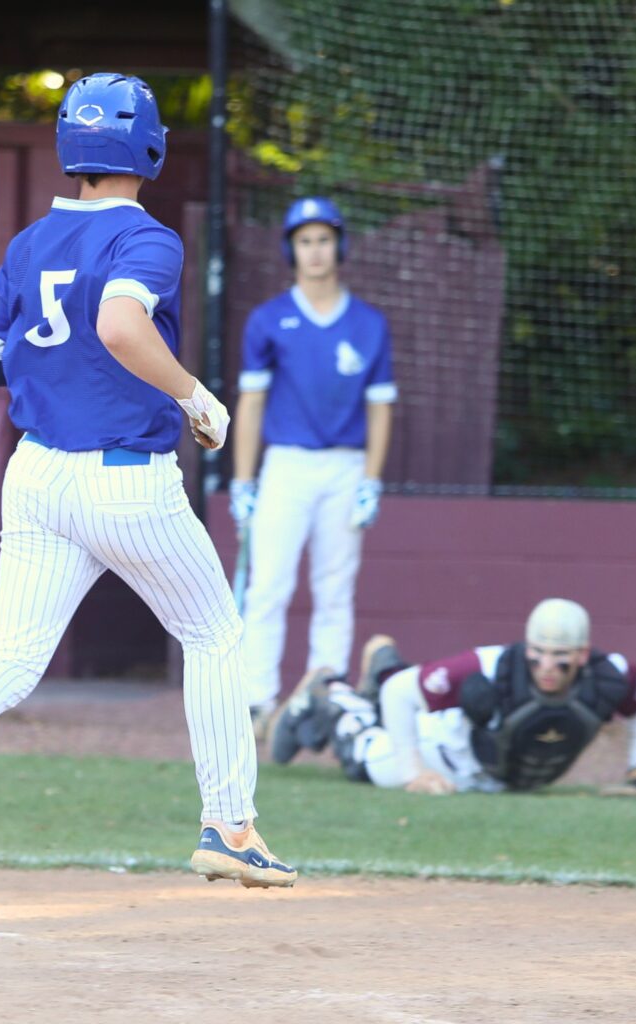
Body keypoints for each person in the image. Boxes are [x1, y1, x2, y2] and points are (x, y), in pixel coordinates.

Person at [0, 72, 296, 890]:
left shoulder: (28, 245)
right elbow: (121, 325)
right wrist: (195, 395)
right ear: (149, 144)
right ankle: (230, 826)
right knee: (213, 636)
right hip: (125, 475)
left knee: (12, 654)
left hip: (38, 475)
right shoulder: (148, 238)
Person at [229, 196, 397, 734]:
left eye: (324, 239)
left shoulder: (370, 324)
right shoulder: (269, 320)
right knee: (267, 585)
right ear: (291, 249)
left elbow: (380, 406)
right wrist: (243, 479)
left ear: (339, 245)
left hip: (346, 468)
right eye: (305, 241)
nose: (316, 251)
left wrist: (372, 478)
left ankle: (324, 697)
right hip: (286, 466)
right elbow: (251, 402)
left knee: (334, 586)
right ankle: (257, 701)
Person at [269, 597, 636, 798]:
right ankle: (328, 692)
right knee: (366, 756)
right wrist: (414, 773)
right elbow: (401, 693)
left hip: (499, 781)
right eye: (539, 653)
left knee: (398, 689)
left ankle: (383, 664)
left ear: (583, 654)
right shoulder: (493, 666)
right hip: (442, 753)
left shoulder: (609, 677)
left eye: (561, 656)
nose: (547, 665)